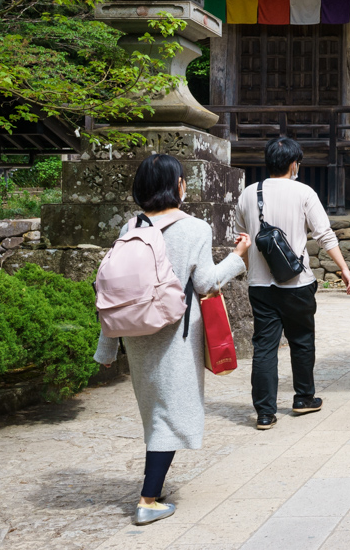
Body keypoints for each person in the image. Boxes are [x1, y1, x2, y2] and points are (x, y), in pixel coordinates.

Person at [96, 154, 251, 525]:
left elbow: (113, 293)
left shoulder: (129, 229)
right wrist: (238, 256)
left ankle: (154, 486)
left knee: (156, 412)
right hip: (175, 335)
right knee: (170, 415)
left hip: (136, 334)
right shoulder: (194, 228)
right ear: (177, 186)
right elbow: (205, 283)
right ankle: (148, 500)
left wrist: (106, 347)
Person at [233, 137, 350, 430]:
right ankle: (303, 398)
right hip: (297, 283)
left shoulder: (249, 194)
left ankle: (264, 413)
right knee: (301, 341)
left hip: (260, 286)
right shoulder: (304, 192)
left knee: (264, 346)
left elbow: (243, 240)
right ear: (293, 164)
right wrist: (344, 269)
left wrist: (253, 274)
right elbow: (324, 234)